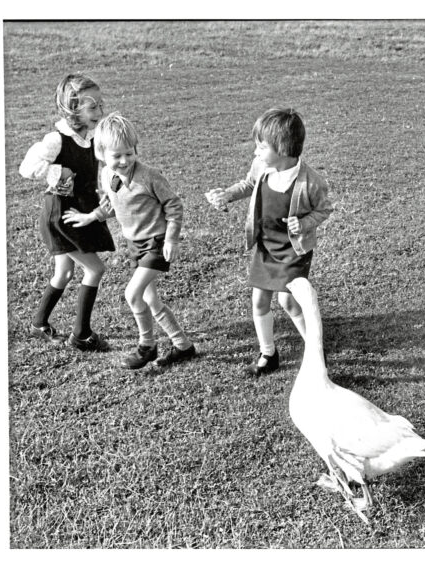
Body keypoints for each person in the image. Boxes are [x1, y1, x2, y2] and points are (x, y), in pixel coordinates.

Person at [63, 112, 196, 369]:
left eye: (129, 153)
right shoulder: (109, 176)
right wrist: (92, 217)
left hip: (155, 243)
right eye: (117, 155)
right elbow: (113, 204)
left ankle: (147, 346)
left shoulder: (149, 176)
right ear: (101, 154)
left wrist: (171, 239)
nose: (124, 160)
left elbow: (173, 205)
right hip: (135, 245)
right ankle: (184, 346)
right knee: (150, 300)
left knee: (132, 294)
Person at [205, 108, 332, 376]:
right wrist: (227, 194)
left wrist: (305, 223)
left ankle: (315, 350)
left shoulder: (311, 182)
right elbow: (249, 185)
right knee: (259, 301)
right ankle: (268, 353)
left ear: (283, 148)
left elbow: (323, 210)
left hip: (292, 251)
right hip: (266, 246)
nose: (255, 152)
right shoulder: (262, 166)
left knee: (289, 302)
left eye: (261, 147)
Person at [19, 73, 115, 351]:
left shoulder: (92, 137)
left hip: (77, 213)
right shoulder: (56, 139)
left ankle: (39, 324)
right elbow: (26, 168)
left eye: (100, 104)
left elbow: (101, 169)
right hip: (60, 217)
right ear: (73, 109)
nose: (100, 111)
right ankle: (82, 334)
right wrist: (56, 171)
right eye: (92, 106)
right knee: (96, 268)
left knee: (64, 272)